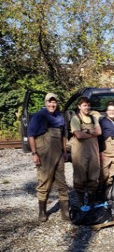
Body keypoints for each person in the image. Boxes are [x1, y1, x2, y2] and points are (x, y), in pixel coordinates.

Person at [28, 93, 70, 222]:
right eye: (50, 102)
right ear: (45, 103)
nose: (52, 105)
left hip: (58, 154)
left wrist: (65, 151)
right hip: (44, 155)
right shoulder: (39, 116)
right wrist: (34, 154)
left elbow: (63, 135)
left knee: (62, 183)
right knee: (44, 182)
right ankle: (42, 211)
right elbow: (31, 135)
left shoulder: (60, 116)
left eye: (54, 102)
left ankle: (65, 212)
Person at [70, 97, 102, 206]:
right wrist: (92, 133)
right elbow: (78, 135)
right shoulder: (75, 119)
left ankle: (92, 202)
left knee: (93, 176)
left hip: (93, 151)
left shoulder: (94, 118)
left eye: (88, 105)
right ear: (79, 106)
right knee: (80, 177)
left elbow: (99, 131)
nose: (87, 107)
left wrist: (87, 131)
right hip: (80, 152)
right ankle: (81, 202)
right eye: (84, 105)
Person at [97, 103, 114, 200]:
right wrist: (100, 152)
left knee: (111, 175)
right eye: (109, 110)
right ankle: (97, 196)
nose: (111, 111)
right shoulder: (103, 122)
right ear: (106, 112)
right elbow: (99, 138)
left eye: (113, 110)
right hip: (106, 153)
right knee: (103, 175)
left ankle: (106, 196)